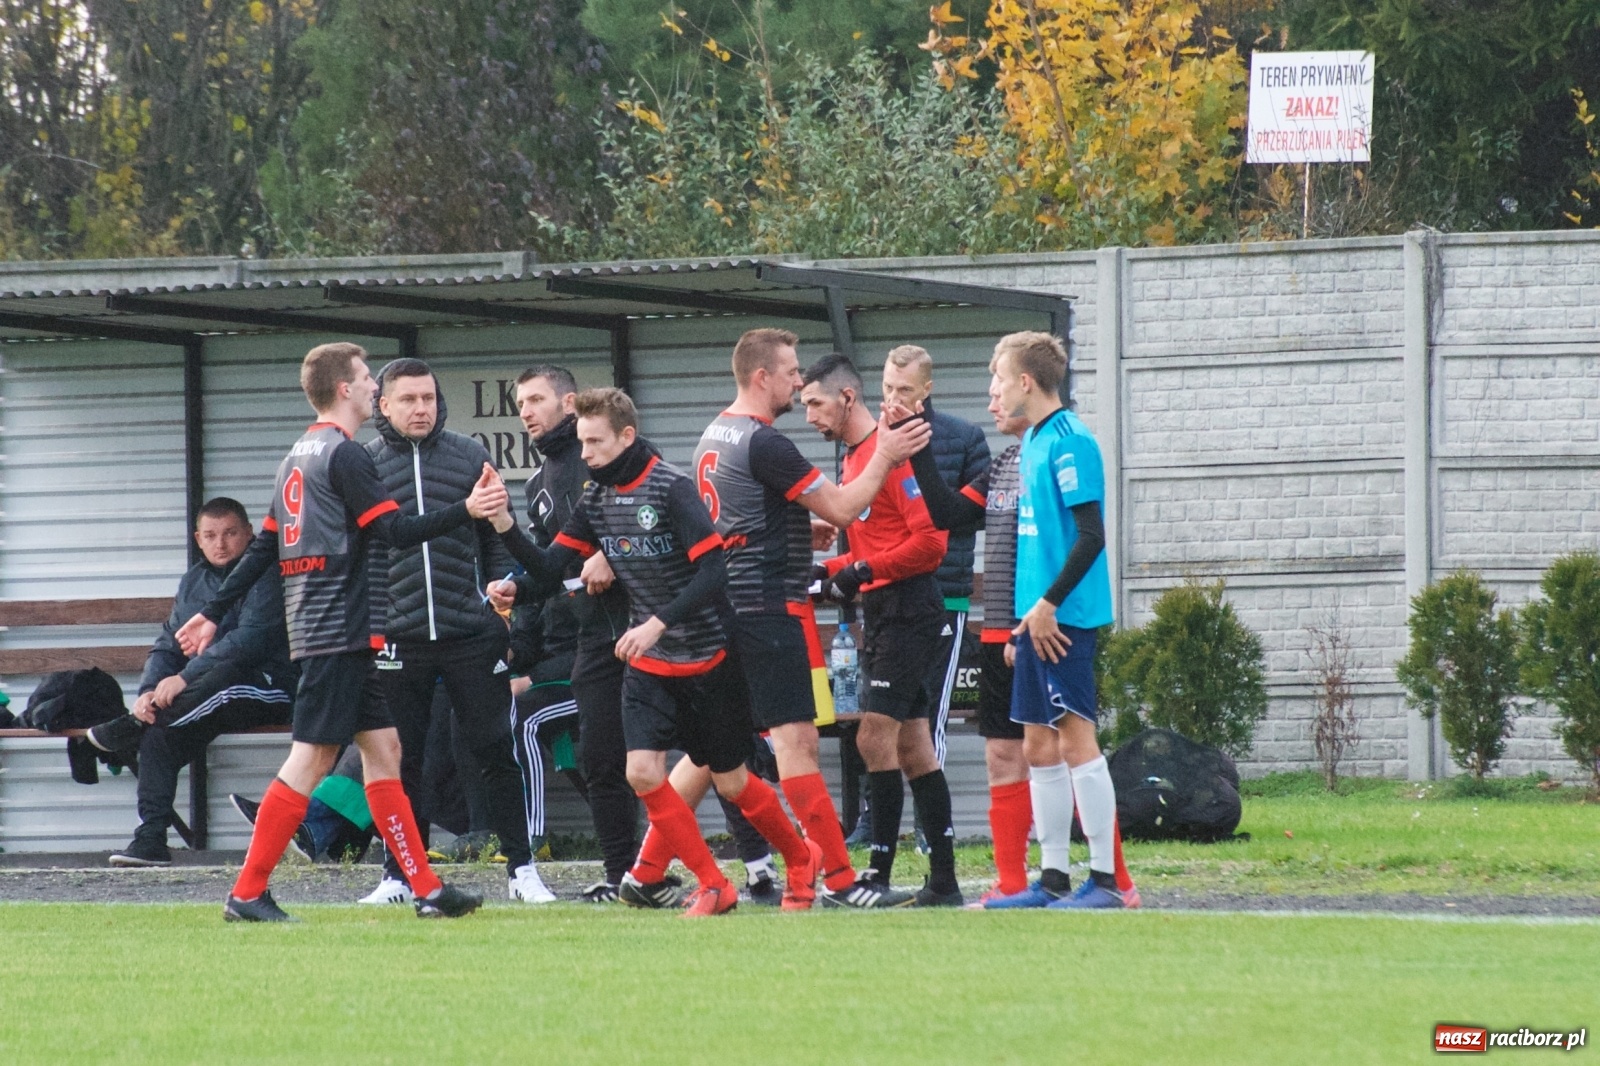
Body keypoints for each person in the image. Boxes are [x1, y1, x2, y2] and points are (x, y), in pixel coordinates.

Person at [176, 341, 505, 922]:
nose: (376, 386)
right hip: (340, 631)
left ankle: (426, 888)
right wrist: (467, 512)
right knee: (310, 760)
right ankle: (247, 891)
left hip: (334, 630)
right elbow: (398, 532)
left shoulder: (297, 454)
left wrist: (212, 612)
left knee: (387, 752)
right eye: (367, 377)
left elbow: (263, 549)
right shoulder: (347, 455)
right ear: (346, 389)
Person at [485, 387, 820, 918]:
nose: (586, 453)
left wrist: (657, 621)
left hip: (710, 660)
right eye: (581, 441)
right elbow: (550, 569)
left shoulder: (670, 488)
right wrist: (505, 532)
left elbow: (714, 572)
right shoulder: (595, 499)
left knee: (733, 781)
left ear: (626, 436)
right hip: (650, 664)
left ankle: (802, 861)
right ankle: (713, 884)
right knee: (640, 770)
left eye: (595, 441)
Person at [686, 327, 934, 908]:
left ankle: (648, 867)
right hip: (770, 613)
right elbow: (848, 506)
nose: (800, 383)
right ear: (761, 377)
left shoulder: (713, 433)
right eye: (792, 372)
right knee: (798, 748)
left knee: (713, 753)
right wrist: (888, 455)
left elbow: (739, 516)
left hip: (729, 609)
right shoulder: (766, 442)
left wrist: (797, 527)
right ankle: (843, 883)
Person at [360, 358, 552, 906]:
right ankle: (398, 875)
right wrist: (374, 624)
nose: (422, 408)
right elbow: (370, 551)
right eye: (409, 400)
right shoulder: (366, 464)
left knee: (494, 747)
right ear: (384, 405)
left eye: (429, 398)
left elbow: (494, 537)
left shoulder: (470, 454)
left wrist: (498, 586)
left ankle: (522, 870)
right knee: (402, 758)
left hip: (471, 632)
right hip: (399, 635)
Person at [800, 353, 960, 907]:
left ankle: (877, 875)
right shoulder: (855, 460)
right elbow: (876, 543)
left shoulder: (893, 452)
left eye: (815, 403)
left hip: (909, 610)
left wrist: (863, 572)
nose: (808, 416)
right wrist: (829, 572)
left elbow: (930, 544)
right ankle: (944, 882)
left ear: (847, 398)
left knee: (872, 736)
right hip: (886, 609)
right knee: (914, 747)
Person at [978, 331, 1127, 910]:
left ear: (1025, 381)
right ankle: (1055, 880)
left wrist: (1048, 607)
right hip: (1036, 622)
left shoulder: (1071, 441)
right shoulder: (1033, 441)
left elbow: (1091, 536)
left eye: (997, 378)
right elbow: (1037, 546)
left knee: (1075, 740)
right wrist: (1022, 621)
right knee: (1037, 745)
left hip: (1067, 621)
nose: (992, 389)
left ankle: (1109, 882)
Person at [491, 364, 639, 904]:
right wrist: (516, 588)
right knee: (603, 760)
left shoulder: (621, 466)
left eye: (535, 399)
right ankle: (623, 873)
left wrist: (612, 555)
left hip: (646, 634)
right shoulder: (539, 482)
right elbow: (553, 569)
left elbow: (662, 528)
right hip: (591, 645)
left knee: (712, 758)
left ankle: (767, 860)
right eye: (520, 403)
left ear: (570, 402)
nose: (526, 412)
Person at [91, 498, 297, 868]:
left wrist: (184, 678)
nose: (221, 544)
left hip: (269, 686)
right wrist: (148, 693)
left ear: (249, 534)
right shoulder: (194, 582)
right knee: (159, 730)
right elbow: (168, 644)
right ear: (198, 539)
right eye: (211, 535)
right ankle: (151, 838)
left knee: (219, 681)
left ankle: (133, 726)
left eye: (231, 533)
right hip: (208, 695)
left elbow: (250, 643)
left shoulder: (267, 572)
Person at [880, 345, 988, 774]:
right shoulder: (871, 436)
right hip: (886, 595)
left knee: (931, 718)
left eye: (904, 389)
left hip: (945, 595)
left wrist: (923, 527)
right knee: (881, 717)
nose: (893, 398)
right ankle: (875, 821)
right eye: (887, 386)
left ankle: (931, 828)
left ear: (927, 388)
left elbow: (978, 514)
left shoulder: (963, 437)